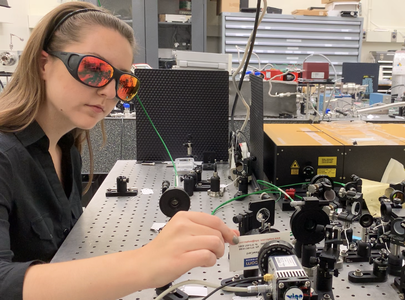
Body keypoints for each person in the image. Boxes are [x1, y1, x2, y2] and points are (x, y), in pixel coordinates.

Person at [0, 2, 238, 300]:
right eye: (94, 69)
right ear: (43, 64)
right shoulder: (5, 156)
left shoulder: (65, 147)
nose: (109, 92)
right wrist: (144, 264)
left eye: (123, 83)